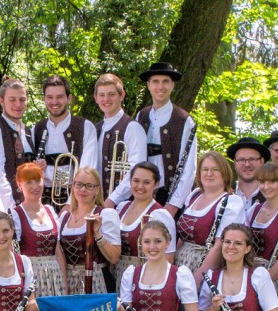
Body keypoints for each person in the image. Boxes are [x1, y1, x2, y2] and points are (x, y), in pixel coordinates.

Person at [134, 61, 197, 215]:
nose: (160, 87)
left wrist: (174, 205)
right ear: (148, 85)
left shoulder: (184, 120)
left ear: (172, 85)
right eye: (155, 81)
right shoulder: (140, 116)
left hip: (170, 196)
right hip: (141, 193)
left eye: (165, 81)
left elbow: (189, 168)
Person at [56, 166, 122, 294]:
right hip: (68, 282)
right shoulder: (64, 217)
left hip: (96, 281)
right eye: (79, 184)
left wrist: (97, 233)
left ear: (97, 189)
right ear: (73, 186)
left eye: (89, 186)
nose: (83, 189)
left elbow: (114, 258)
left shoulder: (106, 214)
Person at [85, 72, 147, 208]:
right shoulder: (95, 130)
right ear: (96, 98)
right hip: (97, 202)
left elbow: (136, 170)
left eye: (111, 94)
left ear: (121, 95)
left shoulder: (133, 128)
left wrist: (112, 200)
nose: (106, 99)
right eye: (101, 95)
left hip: (125, 205)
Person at [31, 74, 96, 204]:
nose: (54, 102)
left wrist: (71, 203)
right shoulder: (36, 129)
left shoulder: (85, 127)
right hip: (42, 201)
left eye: (60, 97)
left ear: (69, 98)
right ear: (44, 99)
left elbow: (88, 170)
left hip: (76, 199)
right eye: (50, 97)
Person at [176, 150, 243, 272]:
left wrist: (199, 277)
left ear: (224, 173)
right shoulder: (195, 195)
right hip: (180, 264)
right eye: (205, 169)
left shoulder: (231, 202)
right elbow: (182, 238)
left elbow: (219, 246)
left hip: (206, 267)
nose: (209, 173)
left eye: (215, 169)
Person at [115, 162, 177, 280]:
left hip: (143, 276)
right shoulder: (121, 208)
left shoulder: (160, 215)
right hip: (115, 273)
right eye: (136, 181)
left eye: (146, 182)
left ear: (156, 184)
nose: (140, 186)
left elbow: (168, 258)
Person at [11, 162, 64, 296]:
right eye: (28, 182)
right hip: (30, 277)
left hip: (55, 277)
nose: (35, 186)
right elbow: (14, 254)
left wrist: (64, 287)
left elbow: (58, 251)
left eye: (37, 180)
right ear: (19, 185)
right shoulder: (16, 214)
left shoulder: (50, 211)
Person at [0, 76, 34, 207]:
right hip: (7, 207)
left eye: (22, 99)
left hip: (28, 207)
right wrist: (11, 209)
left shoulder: (27, 131)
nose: (18, 104)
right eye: (12, 99)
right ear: (1, 101)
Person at [228, 137, 269, 205]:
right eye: (241, 160)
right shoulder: (224, 196)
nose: (247, 164)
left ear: (262, 161)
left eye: (252, 159)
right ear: (235, 163)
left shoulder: (276, 198)